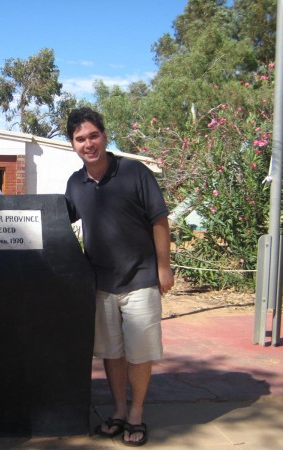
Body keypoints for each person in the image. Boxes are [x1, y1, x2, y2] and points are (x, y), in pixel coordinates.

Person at [65, 107, 174, 447]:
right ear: (73, 144)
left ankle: (137, 414)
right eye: (80, 139)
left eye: (93, 136)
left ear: (105, 136)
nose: (88, 144)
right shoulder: (74, 183)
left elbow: (159, 220)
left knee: (139, 354)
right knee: (113, 354)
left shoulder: (134, 172)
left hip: (141, 279)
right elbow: (59, 223)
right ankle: (118, 411)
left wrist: (164, 266)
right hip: (102, 285)